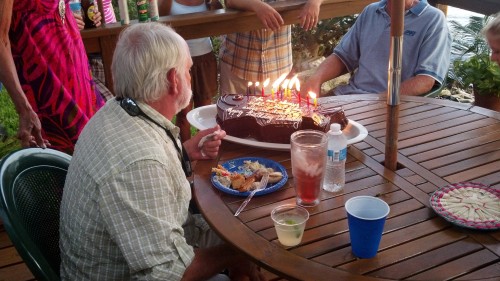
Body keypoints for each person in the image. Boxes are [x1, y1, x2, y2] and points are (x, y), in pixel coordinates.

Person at [60, 22, 266, 281]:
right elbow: (169, 275)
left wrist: (186, 152)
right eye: (188, 70)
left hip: (148, 246)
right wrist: (241, 254)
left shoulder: (121, 109)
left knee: (247, 226)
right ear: (173, 79)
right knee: (252, 240)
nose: (190, 77)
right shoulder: (140, 162)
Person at [0, 0, 105, 154]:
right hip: (48, 88)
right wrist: (23, 108)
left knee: (100, 149)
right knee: (72, 163)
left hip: (77, 71)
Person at [301, 0, 451, 96]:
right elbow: (343, 57)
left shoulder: (433, 19)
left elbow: (425, 80)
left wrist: (381, 100)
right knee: (301, 127)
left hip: (395, 106)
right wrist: (315, 79)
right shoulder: (371, 11)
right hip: (350, 97)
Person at [219, 0, 323, 95]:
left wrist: (314, 2)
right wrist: (258, 6)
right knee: (230, 112)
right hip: (237, 62)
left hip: (277, 66)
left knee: (272, 113)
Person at [158, 0, 222, 142]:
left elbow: (219, 18)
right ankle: (185, 158)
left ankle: (206, 155)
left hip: (204, 56)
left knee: (205, 110)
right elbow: (159, 22)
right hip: (179, 61)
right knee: (183, 113)